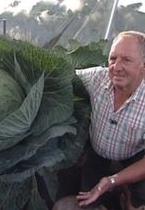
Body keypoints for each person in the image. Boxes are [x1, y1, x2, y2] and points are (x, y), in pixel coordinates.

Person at [53, 30, 145, 210]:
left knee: (140, 199)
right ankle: (114, 196)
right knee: (88, 201)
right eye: (113, 58)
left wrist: (112, 180)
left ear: (144, 66)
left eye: (126, 60)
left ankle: (130, 195)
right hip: (97, 155)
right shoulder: (97, 78)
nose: (116, 67)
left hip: (134, 158)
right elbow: (63, 75)